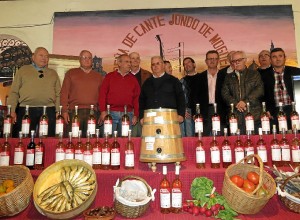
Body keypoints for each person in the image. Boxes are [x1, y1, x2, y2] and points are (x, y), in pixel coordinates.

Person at [7, 47, 61, 137]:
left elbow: (58, 94)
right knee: (24, 138)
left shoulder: (53, 73)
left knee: (47, 139)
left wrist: (57, 111)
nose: (44, 58)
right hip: (26, 109)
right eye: (41, 55)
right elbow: (14, 92)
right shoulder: (23, 70)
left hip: (48, 110)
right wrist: (11, 110)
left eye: (46, 56)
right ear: (33, 57)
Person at [60, 50, 103, 137]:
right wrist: (64, 111)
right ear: (79, 60)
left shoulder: (98, 76)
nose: (87, 60)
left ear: (92, 60)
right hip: (74, 112)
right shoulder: (71, 73)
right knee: (73, 140)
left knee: (91, 140)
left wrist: (102, 112)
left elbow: (102, 96)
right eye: (84, 57)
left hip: (93, 112)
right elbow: (64, 92)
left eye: (89, 58)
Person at [222, 51, 264, 135]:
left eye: (239, 60)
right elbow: (225, 93)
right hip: (235, 117)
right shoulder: (228, 77)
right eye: (234, 61)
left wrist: (245, 102)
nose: (236, 63)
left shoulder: (254, 74)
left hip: (253, 115)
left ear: (245, 60)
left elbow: (259, 90)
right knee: (237, 145)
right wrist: (236, 104)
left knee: (255, 144)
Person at [99, 54, 140, 136]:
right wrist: (103, 111)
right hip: (110, 113)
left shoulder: (133, 79)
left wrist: (136, 114)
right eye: (127, 62)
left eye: (130, 62)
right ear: (119, 63)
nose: (129, 64)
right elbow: (102, 94)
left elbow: (136, 98)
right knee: (108, 138)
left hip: (128, 114)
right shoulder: (109, 77)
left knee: (126, 141)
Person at [260, 47, 300, 131]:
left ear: (285, 58)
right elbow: (261, 95)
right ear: (270, 60)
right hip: (274, 112)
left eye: (280, 56)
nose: (277, 59)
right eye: (274, 57)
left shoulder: (296, 72)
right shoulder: (263, 76)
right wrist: (266, 110)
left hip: (294, 109)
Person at [139, 56, 185, 124]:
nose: (155, 66)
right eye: (153, 64)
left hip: (170, 118)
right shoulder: (147, 83)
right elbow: (142, 101)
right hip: (150, 119)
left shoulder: (173, 81)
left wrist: (181, 114)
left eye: (158, 63)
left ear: (163, 65)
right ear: (151, 67)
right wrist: (141, 116)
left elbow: (180, 98)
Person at [193, 50, 227, 136]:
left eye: (215, 59)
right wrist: (195, 112)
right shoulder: (199, 77)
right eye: (210, 59)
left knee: (222, 137)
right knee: (202, 137)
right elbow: (195, 96)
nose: (212, 61)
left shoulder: (225, 76)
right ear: (206, 61)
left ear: (218, 60)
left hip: (221, 111)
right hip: (204, 111)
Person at [129, 52, 152, 137]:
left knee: (145, 137)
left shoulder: (148, 75)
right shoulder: (124, 75)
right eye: (133, 58)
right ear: (129, 60)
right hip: (129, 110)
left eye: (137, 58)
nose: (135, 60)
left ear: (140, 60)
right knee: (131, 137)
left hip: (144, 110)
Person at [180, 57, 199, 136]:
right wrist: (183, 109)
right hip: (188, 111)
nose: (187, 65)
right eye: (184, 64)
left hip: (201, 110)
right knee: (189, 136)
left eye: (188, 62)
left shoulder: (202, 78)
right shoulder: (182, 81)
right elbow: (180, 98)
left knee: (201, 135)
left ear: (194, 64)